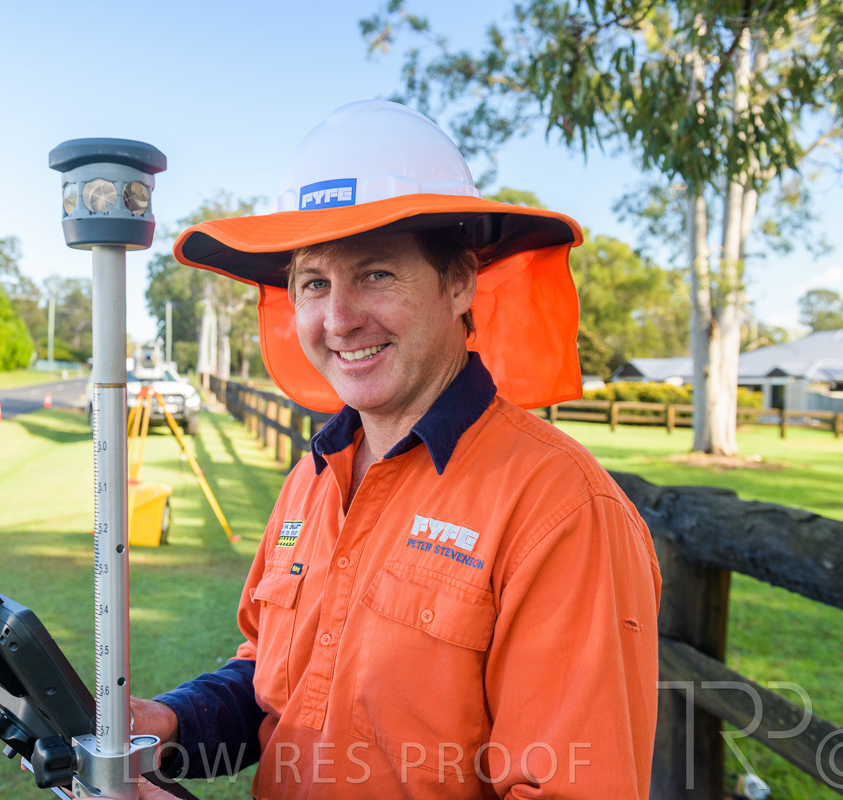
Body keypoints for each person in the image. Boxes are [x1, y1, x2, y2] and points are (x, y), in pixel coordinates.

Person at [130, 100, 661, 799]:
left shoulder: (560, 509)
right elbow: (277, 685)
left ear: (460, 281)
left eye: (376, 273)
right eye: (314, 283)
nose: (339, 319)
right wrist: (167, 724)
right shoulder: (311, 480)